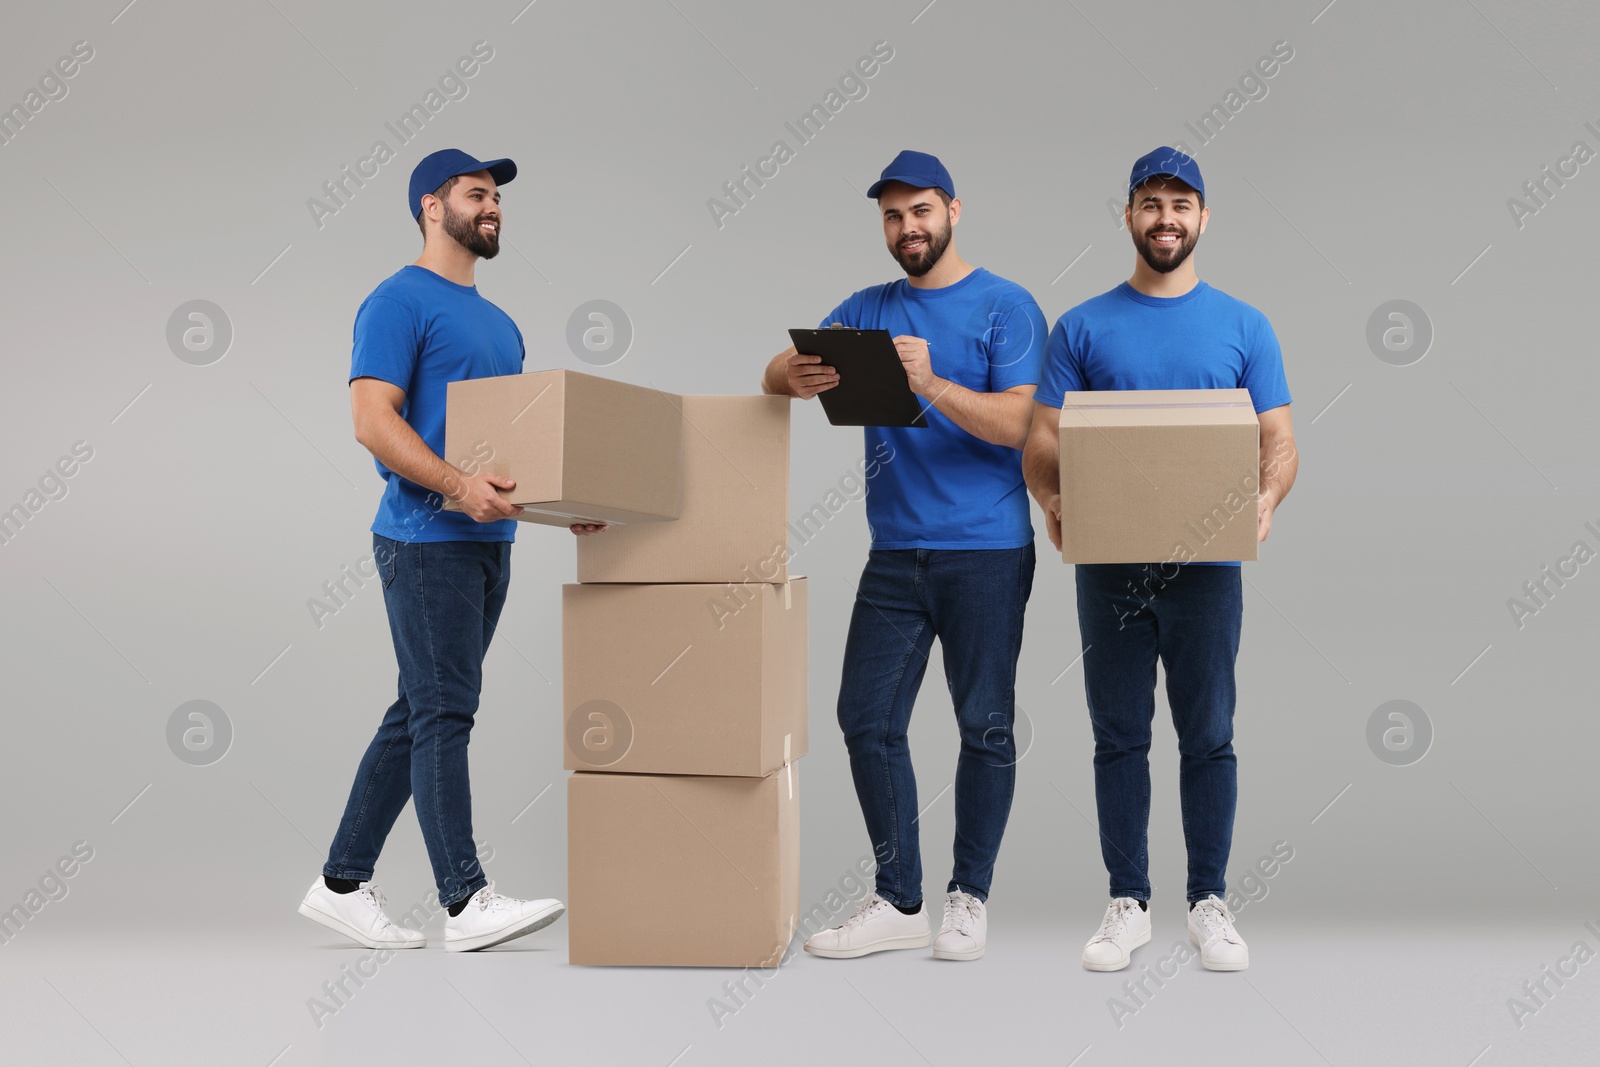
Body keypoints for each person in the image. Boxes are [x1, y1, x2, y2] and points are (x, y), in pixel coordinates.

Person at [297, 148, 605, 952]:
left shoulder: (501, 323)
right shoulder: (397, 301)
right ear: (432, 208)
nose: (493, 206)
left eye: (497, 196)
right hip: (425, 540)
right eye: (477, 194)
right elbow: (373, 420)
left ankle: (340, 883)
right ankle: (464, 901)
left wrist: (562, 504)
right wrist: (455, 487)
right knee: (444, 710)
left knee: (421, 708)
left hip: (487, 545)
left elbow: (509, 451)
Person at [762, 150, 1047, 961]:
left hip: (988, 550)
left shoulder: (1007, 306)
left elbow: (1024, 424)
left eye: (919, 211)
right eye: (892, 217)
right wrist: (796, 369)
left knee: (984, 724)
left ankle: (969, 898)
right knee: (865, 718)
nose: (906, 228)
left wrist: (932, 384)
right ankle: (900, 897)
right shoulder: (867, 305)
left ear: (954, 210)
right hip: (895, 554)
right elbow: (771, 377)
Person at [1022, 147, 1298, 972]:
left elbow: (1278, 441)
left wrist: (1265, 497)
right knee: (1118, 735)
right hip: (1110, 563)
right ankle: (1127, 901)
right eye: (1151, 203)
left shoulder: (1246, 326)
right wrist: (1054, 499)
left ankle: (1209, 899)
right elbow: (1042, 441)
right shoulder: (1082, 326)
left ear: (1204, 218)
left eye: (1181, 203)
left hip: (1209, 565)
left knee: (1208, 734)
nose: (1166, 217)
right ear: (1130, 216)